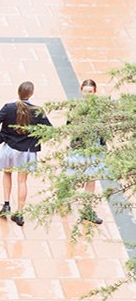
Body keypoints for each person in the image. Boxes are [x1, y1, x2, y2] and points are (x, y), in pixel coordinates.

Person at [0, 79, 52, 226]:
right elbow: (49, 130)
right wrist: (35, 140)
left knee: (7, 173)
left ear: (19, 92)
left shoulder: (9, 108)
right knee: (22, 181)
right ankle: (19, 213)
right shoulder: (37, 111)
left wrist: (1, 139)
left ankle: (6, 205)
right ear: (31, 94)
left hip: (10, 148)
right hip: (27, 152)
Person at [66, 78, 104, 226]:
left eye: (91, 91)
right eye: (85, 91)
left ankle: (87, 210)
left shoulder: (99, 108)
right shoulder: (75, 106)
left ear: (95, 92)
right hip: (79, 147)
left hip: (93, 147)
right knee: (71, 177)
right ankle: (63, 200)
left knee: (91, 179)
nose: (88, 94)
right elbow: (69, 127)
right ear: (81, 91)